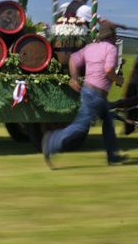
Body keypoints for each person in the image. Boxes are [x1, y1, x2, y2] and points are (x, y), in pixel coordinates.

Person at [42, 21, 129, 168]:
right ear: (112, 35)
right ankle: (51, 142)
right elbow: (108, 70)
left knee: (108, 121)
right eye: (115, 34)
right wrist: (119, 79)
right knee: (80, 126)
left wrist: (74, 78)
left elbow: (73, 59)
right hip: (96, 94)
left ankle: (113, 156)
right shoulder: (111, 49)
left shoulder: (91, 47)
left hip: (90, 92)